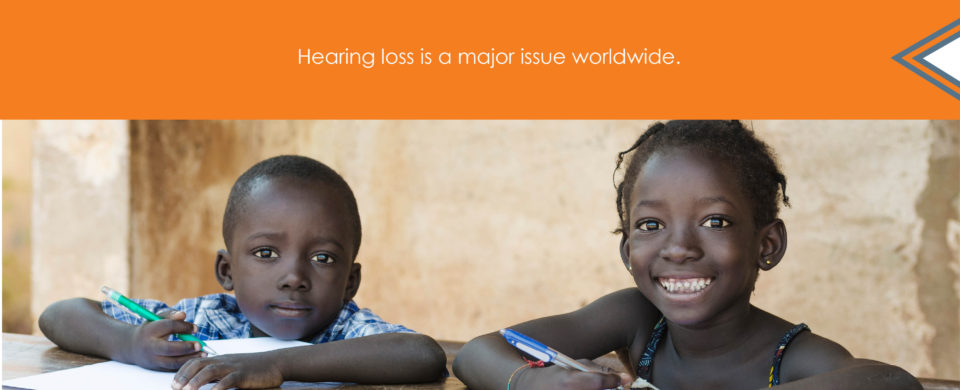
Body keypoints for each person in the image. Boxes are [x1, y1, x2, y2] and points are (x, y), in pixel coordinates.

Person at [452, 121, 921, 390]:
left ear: (767, 245)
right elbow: (477, 353)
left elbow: (890, 381)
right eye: (650, 225)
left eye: (715, 222)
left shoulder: (790, 356)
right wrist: (532, 383)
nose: (679, 248)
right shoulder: (638, 318)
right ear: (628, 251)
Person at [39, 155, 446, 390]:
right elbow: (59, 315)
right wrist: (129, 343)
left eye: (322, 258)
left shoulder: (346, 329)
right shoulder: (205, 321)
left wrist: (276, 365)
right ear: (227, 270)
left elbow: (422, 355)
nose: (294, 277)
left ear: (350, 283)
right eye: (266, 253)